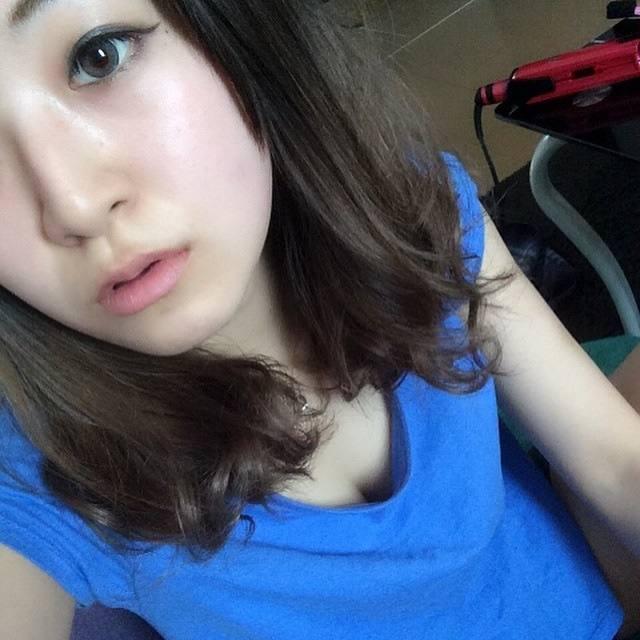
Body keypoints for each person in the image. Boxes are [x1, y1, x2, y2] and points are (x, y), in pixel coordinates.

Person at [0, 1, 638, 639]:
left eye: (98, 56)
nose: (75, 206)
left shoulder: (411, 212)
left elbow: (611, 459)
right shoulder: (38, 470)